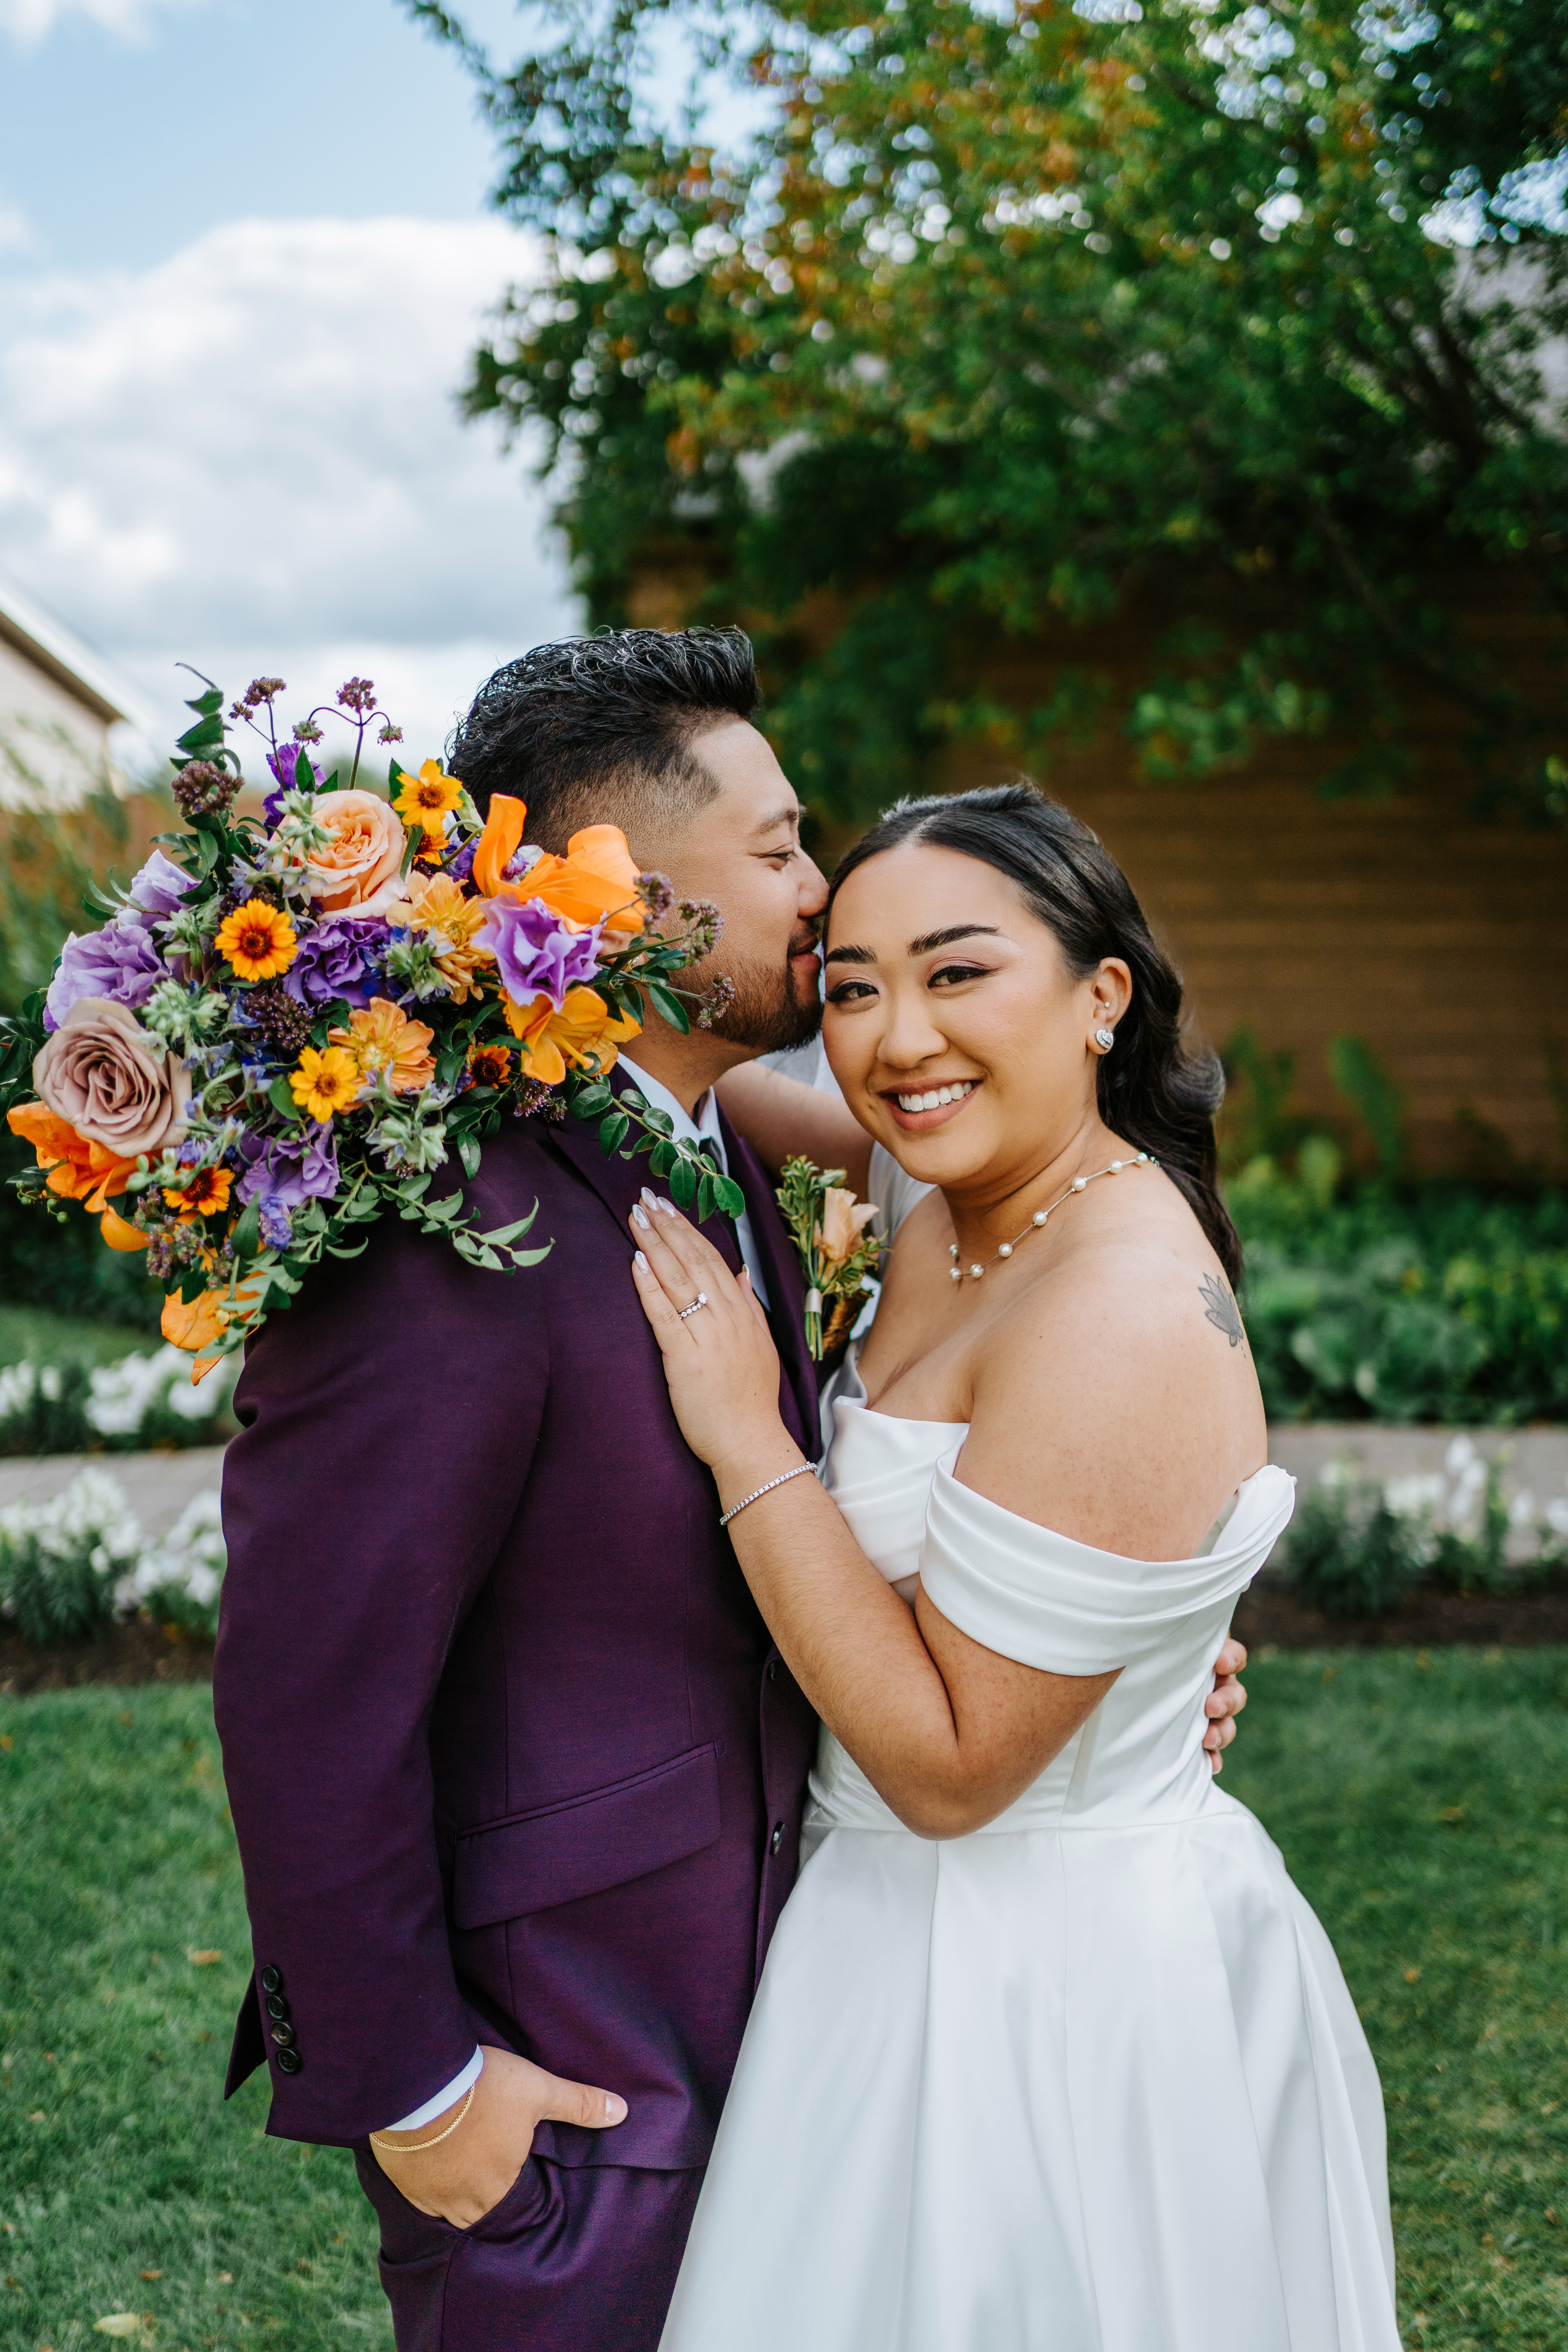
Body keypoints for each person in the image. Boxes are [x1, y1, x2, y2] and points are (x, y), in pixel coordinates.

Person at [212, 636, 1250, 2352]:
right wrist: (416, 2088)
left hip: (794, 2018)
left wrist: (1121, 1666)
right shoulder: (442, 1230)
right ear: (603, 894)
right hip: (571, 2077)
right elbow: (306, 1687)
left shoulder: (706, 1140)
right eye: (777, 850)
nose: (822, 890)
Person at [627, 782, 1402, 2352]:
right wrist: (439, 967)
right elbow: (662, 1087)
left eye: (959, 972)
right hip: (881, 1941)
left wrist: (746, 1437)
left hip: (1041, 1988)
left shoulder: (1114, 1301)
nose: (899, 1039)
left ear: (1100, 996)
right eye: (850, 988)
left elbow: (955, 1766)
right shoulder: (952, 1181)